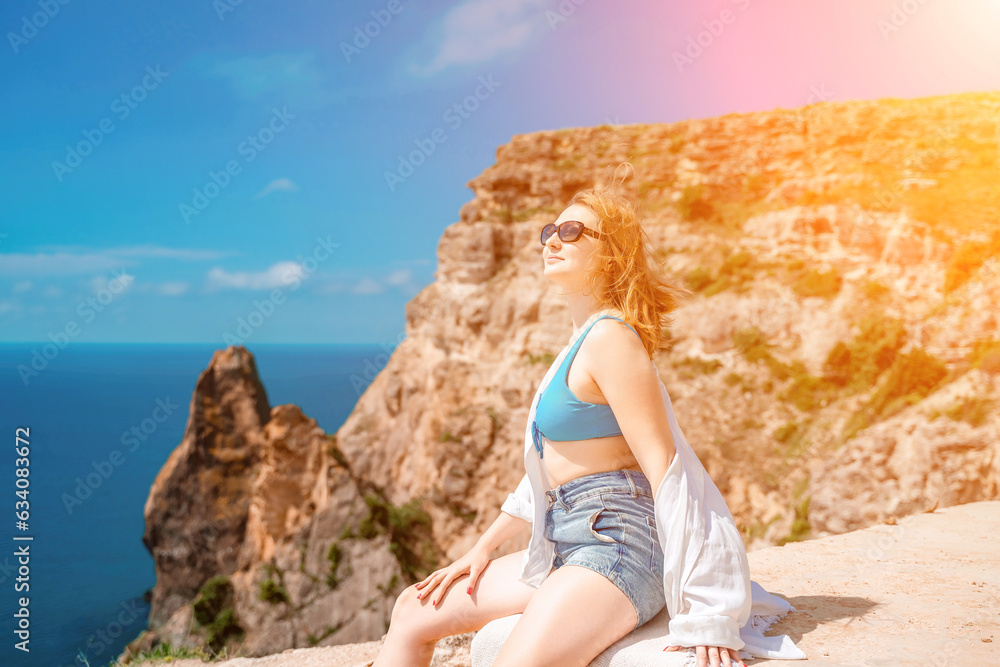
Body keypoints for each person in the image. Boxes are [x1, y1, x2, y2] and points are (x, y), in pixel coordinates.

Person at [372, 165, 804, 667]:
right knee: (412, 609)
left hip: (619, 544)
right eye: (549, 231)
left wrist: (708, 609)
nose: (552, 239)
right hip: (566, 536)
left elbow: (668, 470)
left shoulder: (611, 339)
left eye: (572, 231)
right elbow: (548, 469)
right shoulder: (582, 341)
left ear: (611, 254)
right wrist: (481, 549)